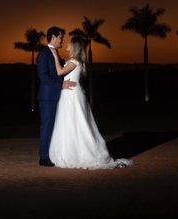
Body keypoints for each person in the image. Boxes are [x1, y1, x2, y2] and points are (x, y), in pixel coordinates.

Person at [49, 35, 133, 169]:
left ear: (75, 47)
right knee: (72, 123)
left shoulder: (74, 61)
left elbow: (59, 72)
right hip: (70, 94)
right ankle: (74, 151)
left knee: (77, 123)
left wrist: (55, 56)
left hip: (72, 96)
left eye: (70, 43)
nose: (67, 45)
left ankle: (80, 153)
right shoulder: (74, 60)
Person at [37, 26, 77, 167]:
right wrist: (60, 85)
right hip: (47, 97)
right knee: (47, 126)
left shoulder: (56, 54)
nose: (62, 40)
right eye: (60, 37)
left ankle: (52, 154)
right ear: (53, 37)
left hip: (57, 96)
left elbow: (58, 73)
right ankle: (43, 157)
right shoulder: (43, 53)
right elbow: (43, 76)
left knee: (54, 126)